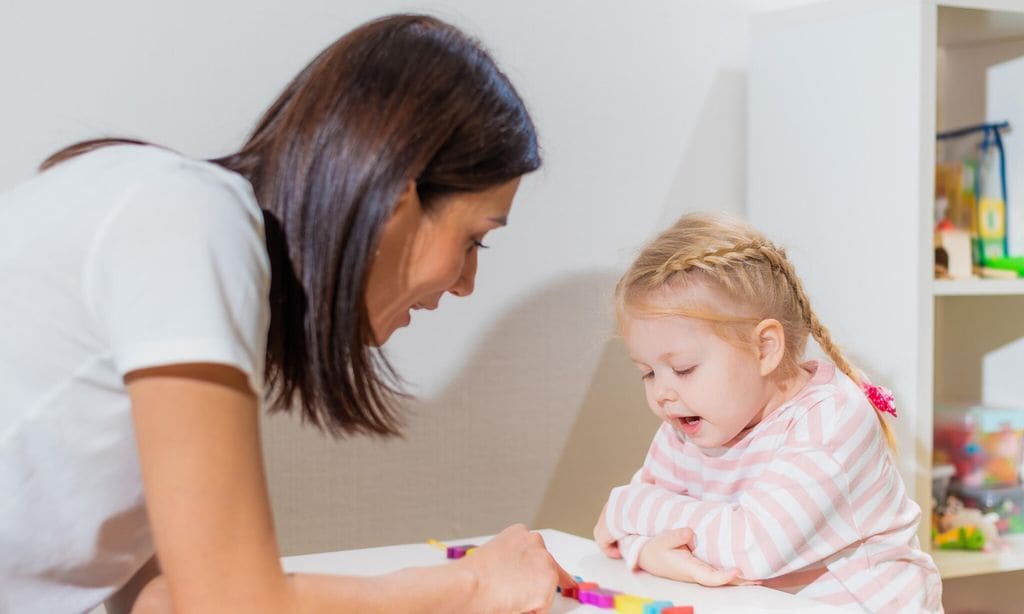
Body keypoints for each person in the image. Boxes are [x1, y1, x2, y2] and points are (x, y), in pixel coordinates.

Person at [0, 14, 575, 613]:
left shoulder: (178, 220)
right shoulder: (189, 220)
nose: (465, 283)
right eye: (474, 240)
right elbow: (229, 602)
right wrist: (474, 585)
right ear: (397, 199)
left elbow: (160, 596)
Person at [593, 213, 942, 613]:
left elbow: (750, 546)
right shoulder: (687, 425)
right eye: (648, 373)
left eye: (684, 369)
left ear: (764, 349)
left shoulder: (830, 421)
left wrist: (625, 507)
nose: (663, 394)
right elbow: (621, 535)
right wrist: (649, 553)